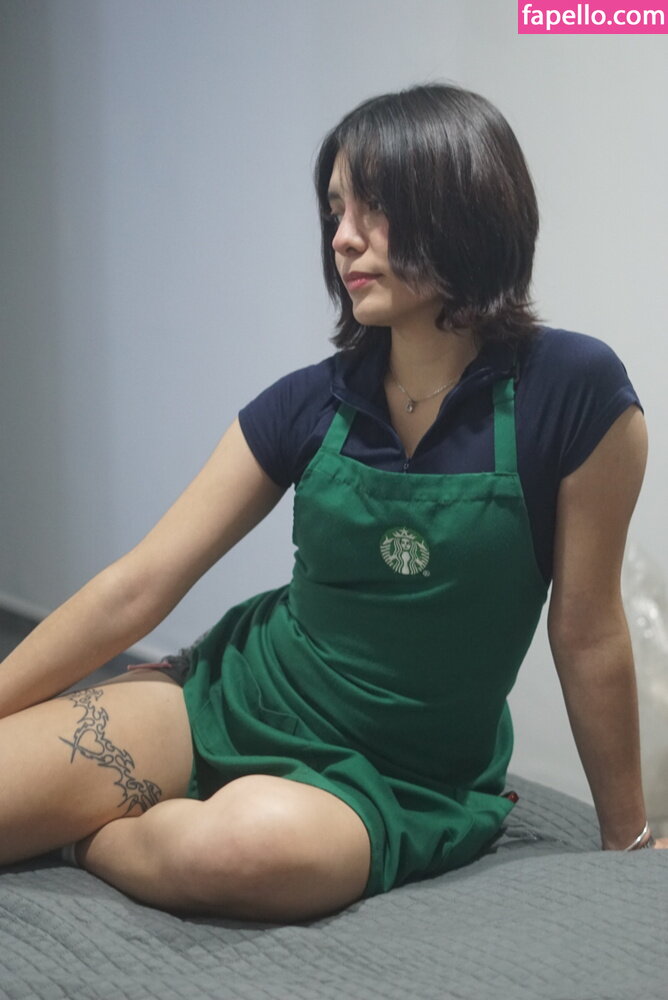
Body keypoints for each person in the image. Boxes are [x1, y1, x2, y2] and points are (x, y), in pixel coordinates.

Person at [0, 82, 664, 923]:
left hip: (401, 774)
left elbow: (588, 630)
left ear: (462, 206)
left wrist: (628, 839)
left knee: (240, 851)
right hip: (233, 696)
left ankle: (86, 837)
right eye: (335, 210)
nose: (344, 236)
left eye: (374, 206)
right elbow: (137, 587)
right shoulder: (309, 402)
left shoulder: (577, 395)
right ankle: (113, 807)